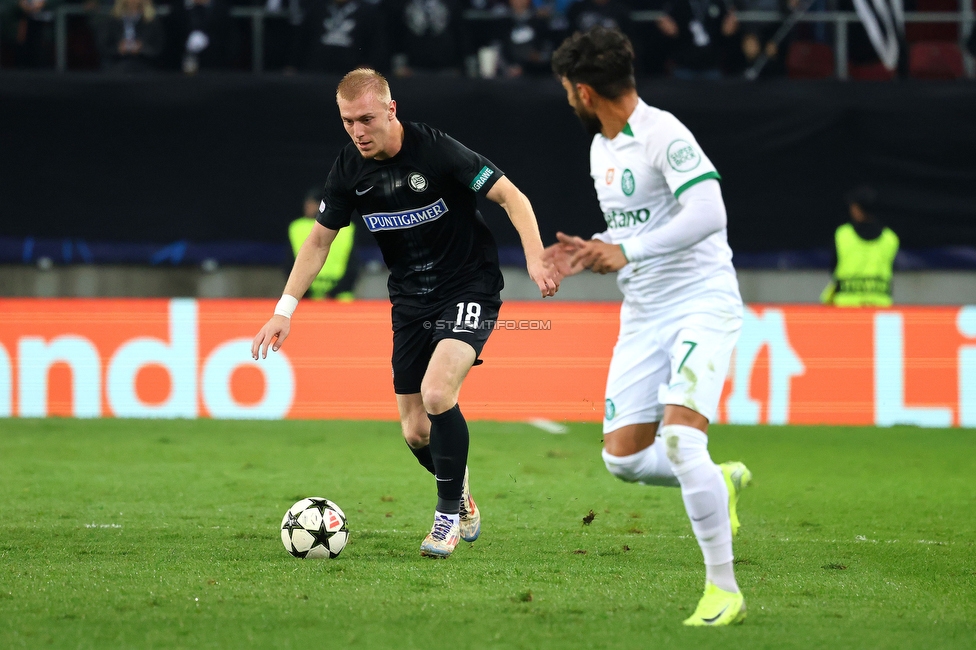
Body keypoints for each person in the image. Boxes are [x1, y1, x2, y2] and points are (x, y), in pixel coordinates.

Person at [252, 68, 559, 559]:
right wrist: (283, 311)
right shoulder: (349, 169)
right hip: (411, 302)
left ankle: (445, 521)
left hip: (469, 286)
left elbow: (510, 196)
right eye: (348, 121)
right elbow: (318, 241)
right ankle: (460, 492)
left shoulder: (437, 150)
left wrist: (536, 255)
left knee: (439, 393)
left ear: (391, 110)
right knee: (416, 430)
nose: (357, 131)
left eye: (366, 119)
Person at [547, 26, 751, 626]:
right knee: (624, 460)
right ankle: (721, 481)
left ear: (584, 92)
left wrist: (629, 251)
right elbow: (639, 226)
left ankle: (724, 590)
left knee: (684, 440)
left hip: (700, 302)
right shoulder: (600, 149)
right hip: (643, 313)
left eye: (566, 90)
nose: (566, 100)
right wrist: (597, 247)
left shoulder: (662, 132)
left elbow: (709, 211)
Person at [820, 186, 899, 307]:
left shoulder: (842, 235)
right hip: (879, 309)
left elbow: (833, 269)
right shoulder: (891, 239)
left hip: (845, 310)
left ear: (856, 209)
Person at [288, 187, 359, 301]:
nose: (306, 206)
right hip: (339, 296)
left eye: (310, 203)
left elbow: (289, 263)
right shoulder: (347, 228)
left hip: (307, 295)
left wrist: (301, 292)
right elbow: (354, 265)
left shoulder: (296, 227)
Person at [97, 0, 165, 73]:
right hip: (117, 65)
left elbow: (158, 48)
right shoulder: (112, 22)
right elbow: (103, 47)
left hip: (145, 65)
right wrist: (118, 48)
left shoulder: (152, 22)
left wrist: (142, 48)